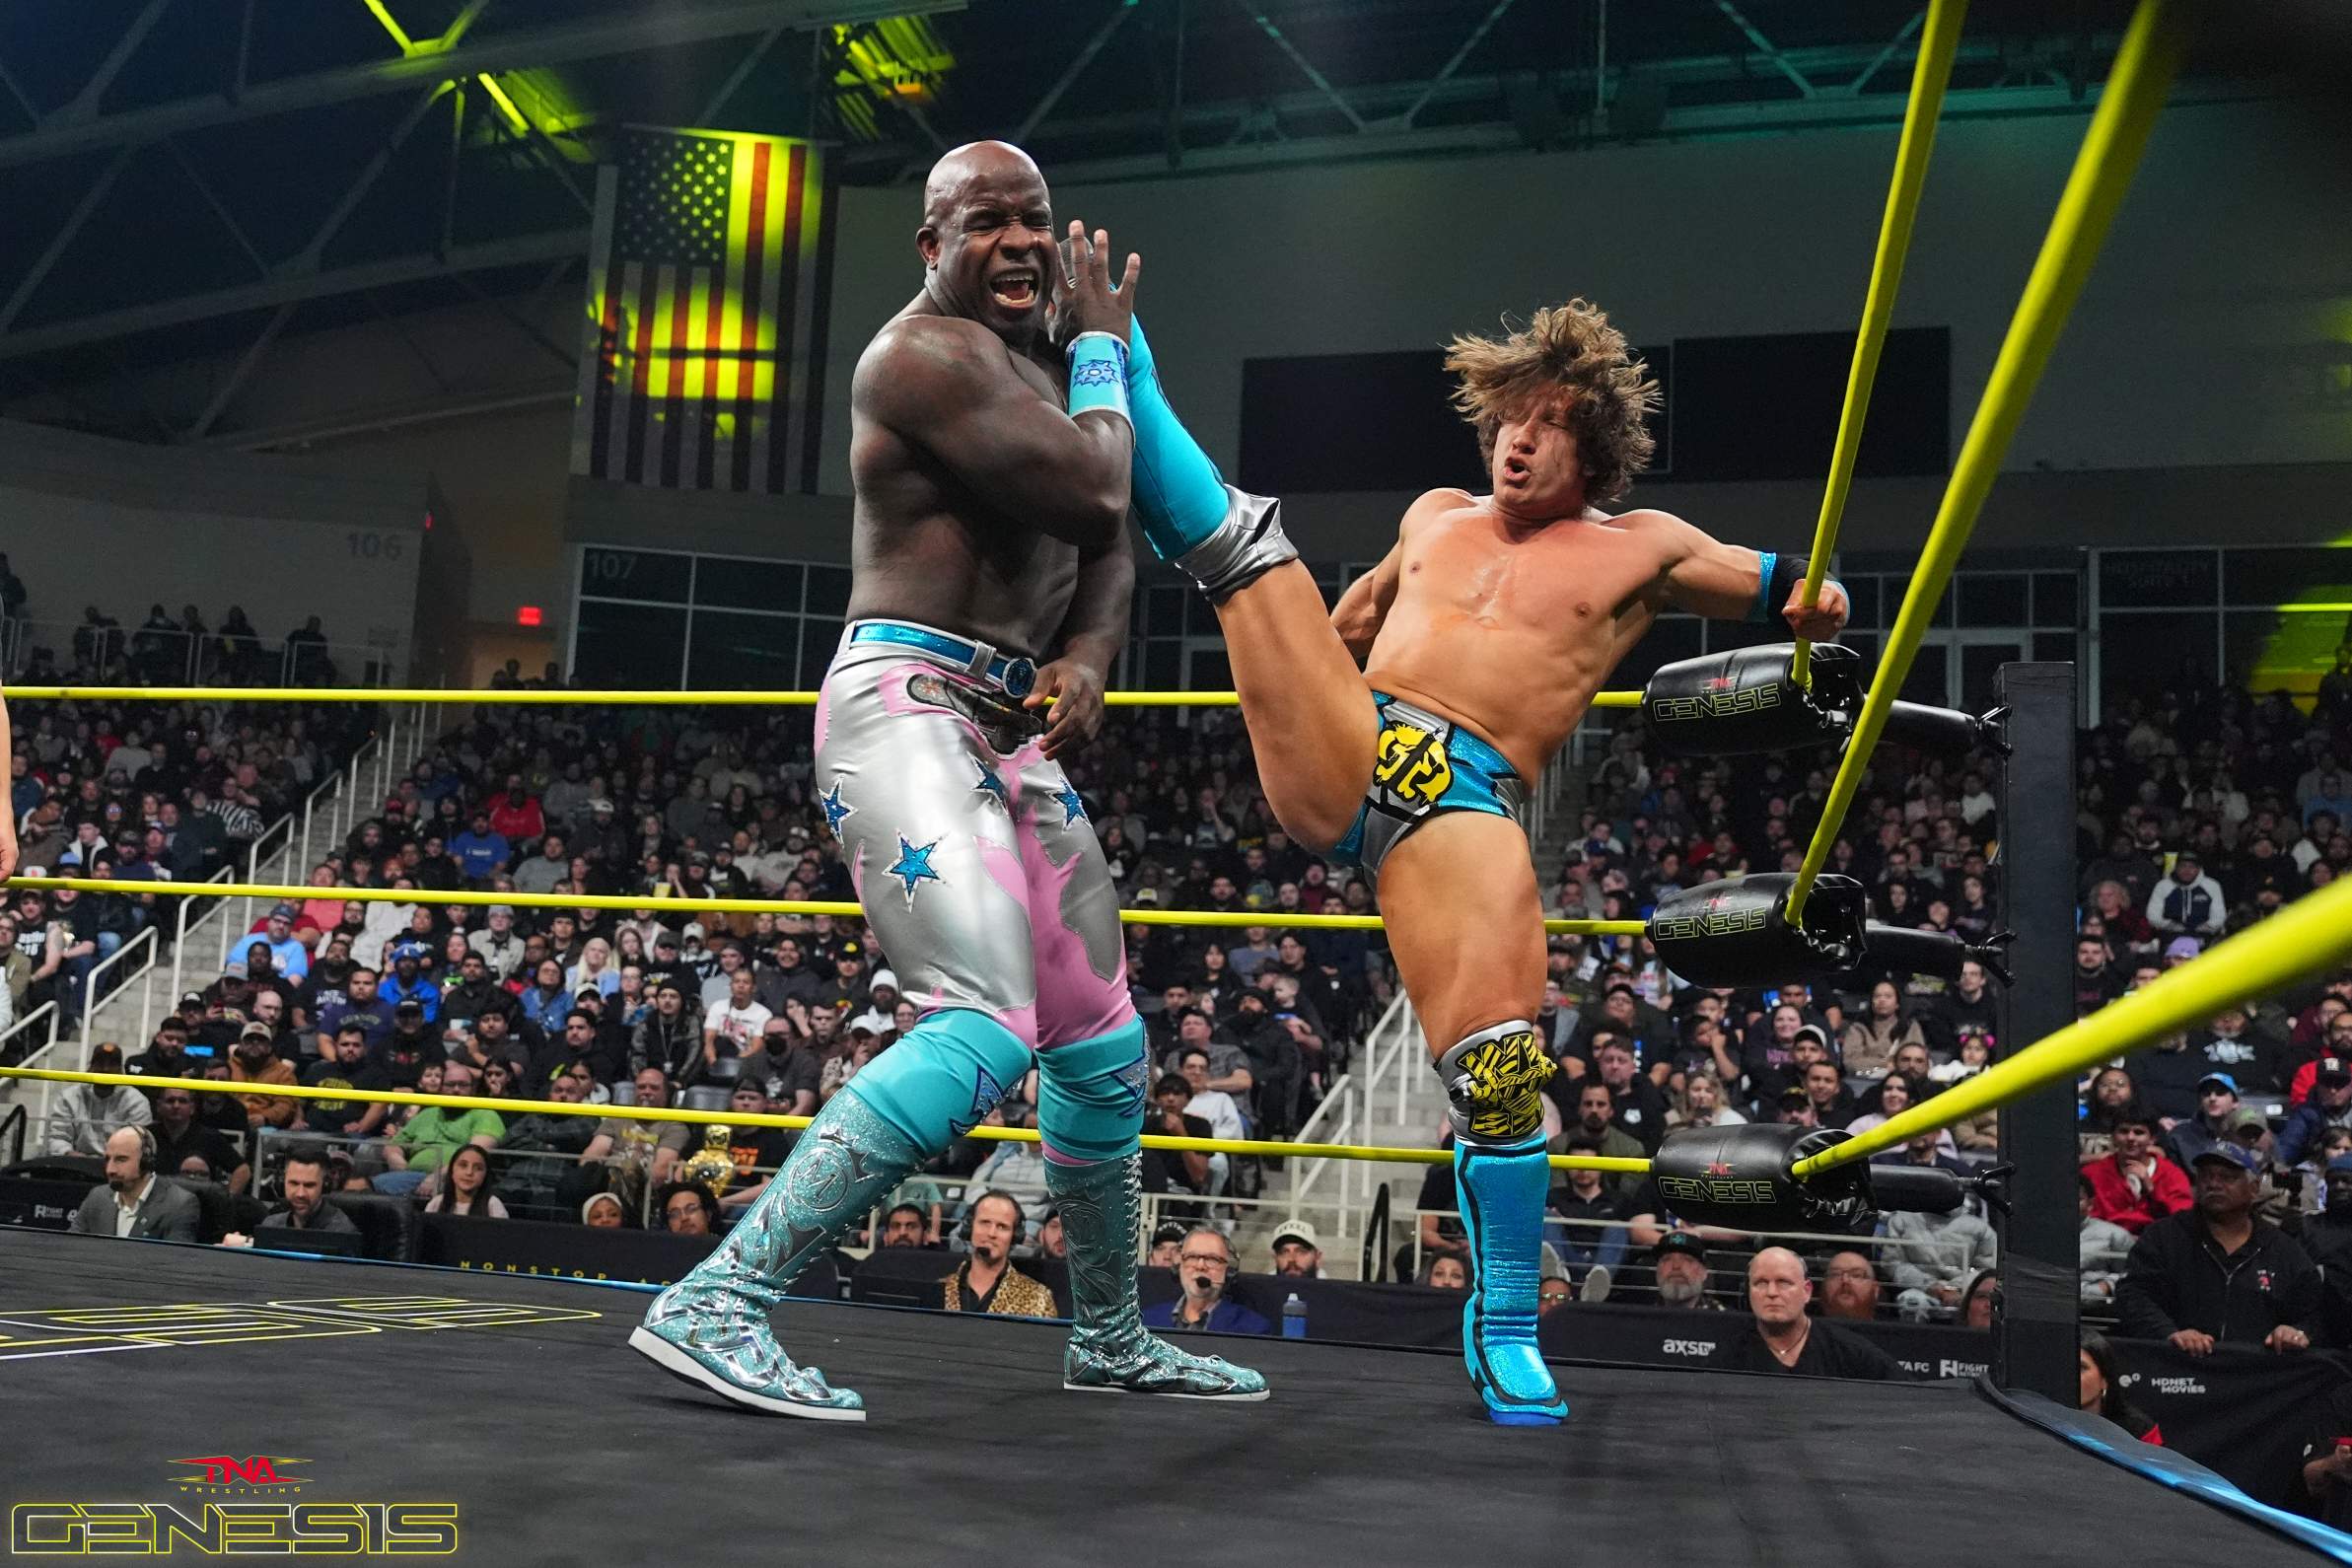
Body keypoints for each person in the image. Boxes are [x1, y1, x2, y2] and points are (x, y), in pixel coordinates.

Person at [1122, 295, 1850, 1422]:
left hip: (1462, 800)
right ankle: (1125, 364)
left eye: (1548, 424)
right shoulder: (1433, 515)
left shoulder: (1644, 547)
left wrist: (1817, 600)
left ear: (1590, 448)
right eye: (1511, 418)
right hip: (1352, 740)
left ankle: (1507, 1322)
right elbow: (1346, 622)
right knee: (1251, 560)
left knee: (1503, 1074)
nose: (1519, 440)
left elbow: (1786, 589)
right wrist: (1294, 675)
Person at [632, 144, 1261, 1416]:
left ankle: (1108, 1338)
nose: (1021, 241)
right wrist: (1108, 351)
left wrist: (1089, 656)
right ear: (933, 244)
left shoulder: (1049, 371)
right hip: (906, 697)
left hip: (1009, 719)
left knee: (1103, 1045)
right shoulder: (919, 357)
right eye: (988, 222)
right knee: (981, 1023)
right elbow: (1100, 485)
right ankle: (719, 1299)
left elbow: (1110, 540)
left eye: (1036, 218)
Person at [2115, 1144, 2322, 1355]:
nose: (2214, 1184)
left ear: (2253, 1188)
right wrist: (2168, 1333)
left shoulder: (2282, 1249)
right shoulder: (2163, 1237)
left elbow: (2314, 1310)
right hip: (2177, 1365)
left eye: (2227, 1177)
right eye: (2206, 1176)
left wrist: (2296, 1331)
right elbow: (2133, 1294)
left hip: (2255, 1369)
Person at [1725, 1247, 1901, 1379]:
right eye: (1761, 1283)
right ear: (1749, 1291)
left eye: (1784, 1282)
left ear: (1807, 1291)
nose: (1771, 1292)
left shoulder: (1851, 1352)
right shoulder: (1727, 1357)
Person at [69, 1126, 200, 1242]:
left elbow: (175, 1259)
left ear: (146, 1162)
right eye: (108, 1159)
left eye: (121, 1159)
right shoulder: (97, 1197)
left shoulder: (179, 1204)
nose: (110, 1170)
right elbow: (71, 1248)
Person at [940, 1190, 1057, 1317]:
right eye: (985, 1223)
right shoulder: (940, 1290)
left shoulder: (1038, 1299)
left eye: (1002, 1227)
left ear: (1015, 1236)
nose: (991, 1233)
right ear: (969, 1227)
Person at [2080, 1105, 2192, 1234]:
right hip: (2106, 1240)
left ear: (2152, 1139)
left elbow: (2182, 1220)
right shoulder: (2091, 1173)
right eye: (2123, 1131)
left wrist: (2151, 1190)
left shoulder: (2172, 1174)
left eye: (2139, 1132)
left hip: (2157, 1240)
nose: (2130, 1138)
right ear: (2113, 1137)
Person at [1141, 1227, 1272, 1335]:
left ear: (1229, 1271)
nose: (1200, 1266)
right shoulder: (1146, 1321)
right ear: (1178, 1267)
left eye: (1212, 1259)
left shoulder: (1252, 1328)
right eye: (1192, 1257)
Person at [221, 1150, 361, 1247]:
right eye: (293, 1183)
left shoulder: (341, 1230)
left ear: (325, 1186)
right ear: (282, 1183)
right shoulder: (272, 1224)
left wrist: (250, 1242)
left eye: (309, 1185)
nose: (300, 1194)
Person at [41, 1043, 153, 1157]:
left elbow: (137, 1144)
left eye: (112, 1064)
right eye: (100, 1063)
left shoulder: (137, 1102)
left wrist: (113, 1160)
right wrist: (69, 1153)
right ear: (91, 1067)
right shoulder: (68, 1097)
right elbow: (57, 1137)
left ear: (121, 1069)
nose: (105, 1069)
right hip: (74, 1162)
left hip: (118, 1163)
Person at [2079, 1332, 2161, 1444]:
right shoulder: (2053, 1423)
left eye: (2081, 1368)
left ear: (2104, 1379)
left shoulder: (2139, 1429)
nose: (2069, 1375)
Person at [1647, 1230, 1722, 1311]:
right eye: (1667, 1259)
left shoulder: (1723, 1317)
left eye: (1688, 1260)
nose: (1676, 1266)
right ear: (1657, 1271)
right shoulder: (1643, 1316)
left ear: (1703, 1273)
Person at [1817, 1250, 1884, 1322]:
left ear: (1875, 1290)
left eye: (1856, 1275)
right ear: (1824, 1286)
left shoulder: (1888, 1329)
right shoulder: (1810, 1328)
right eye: (1835, 1274)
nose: (1845, 1280)